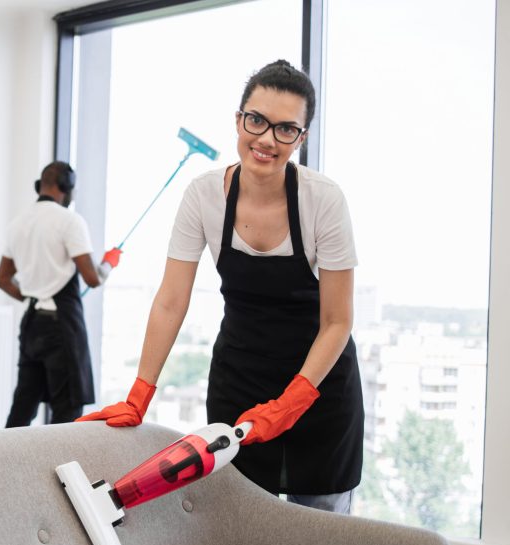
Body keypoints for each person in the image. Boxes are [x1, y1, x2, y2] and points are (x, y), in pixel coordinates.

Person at [79, 60, 363, 514]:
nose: (267, 139)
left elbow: (337, 320)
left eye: (286, 129)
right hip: (240, 378)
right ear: (239, 119)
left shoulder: (322, 200)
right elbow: (172, 300)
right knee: (237, 526)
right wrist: (140, 393)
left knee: (323, 542)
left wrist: (294, 400)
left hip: (319, 389)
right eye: (257, 120)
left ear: (301, 138)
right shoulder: (204, 195)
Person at [0, 161, 122, 426]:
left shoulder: (18, 223)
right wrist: (110, 262)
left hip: (31, 324)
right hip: (61, 328)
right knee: (67, 411)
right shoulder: (69, 221)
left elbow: (3, 280)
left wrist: (35, 296)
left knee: (23, 407)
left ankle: (5, 464)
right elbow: (92, 278)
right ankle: (58, 468)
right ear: (66, 188)